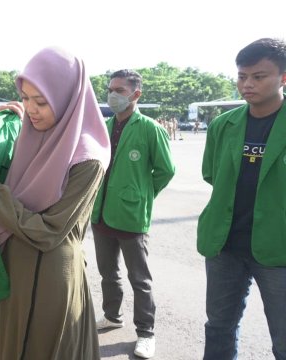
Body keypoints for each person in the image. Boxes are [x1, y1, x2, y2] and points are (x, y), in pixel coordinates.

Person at [0, 47, 111, 360]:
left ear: (68, 98)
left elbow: (49, 232)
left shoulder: (87, 158)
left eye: (41, 101)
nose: (32, 110)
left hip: (50, 279)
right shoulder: (30, 137)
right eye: (26, 98)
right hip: (13, 269)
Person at [198, 37, 286, 360]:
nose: (247, 84)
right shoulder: (223, 126)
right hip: (225, 246)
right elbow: (212, 174)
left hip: (278, 250)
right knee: (219, 327)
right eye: (241, 76)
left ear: (283, 78)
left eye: (258, 76)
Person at [90, 69, 175, 359]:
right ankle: (112, 315)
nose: (113, 95)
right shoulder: (104, 125)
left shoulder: (150, 128)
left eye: (120, 91)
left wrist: (142, 194)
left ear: (136, 94)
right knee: (107, 273)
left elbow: (166, 170)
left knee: (140, 278)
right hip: (101, 212)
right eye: (110, 89)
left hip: (131, 216)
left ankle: (146, 333)